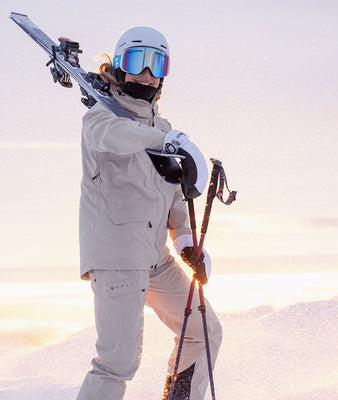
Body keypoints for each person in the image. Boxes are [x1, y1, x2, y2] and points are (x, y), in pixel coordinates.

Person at [76, 26, 222, 400]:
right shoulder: (101, 118)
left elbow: (172, 191)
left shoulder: (161, 127)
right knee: (116, 364)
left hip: (156, 259)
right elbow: (119, 138)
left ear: (164, 74)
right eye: (135, 61)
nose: (145, 73)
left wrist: (187, 242)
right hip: (118, 258)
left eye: (155, 64)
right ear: (120, 67)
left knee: (204, 332)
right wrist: (169, 142)